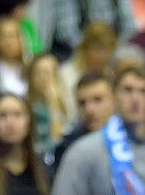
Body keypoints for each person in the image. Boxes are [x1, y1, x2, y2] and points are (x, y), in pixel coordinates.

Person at [51, 63, 145, 195]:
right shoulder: (82, 152)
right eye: (127, 90)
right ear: (115, 97)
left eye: (143, 91)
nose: (135, 98)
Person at [0, 93, 51, 195]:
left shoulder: (42, 167)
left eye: (17, 114)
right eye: (2, 116)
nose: (10, 123)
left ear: (29, 121)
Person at [52, 71, 116, 170]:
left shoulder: (133, 139)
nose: (89, 109)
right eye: (82, 103)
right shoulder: (67, 148)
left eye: (97, 100)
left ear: (114, 101)